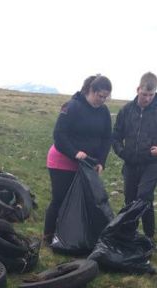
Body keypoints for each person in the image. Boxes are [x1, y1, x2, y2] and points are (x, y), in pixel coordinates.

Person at [43, 74, 112, 246]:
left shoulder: (104, 112)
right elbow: (59, 135)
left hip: (86, 163)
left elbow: (106, 139)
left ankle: (71, 236)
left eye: (105, 97)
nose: (102, 100)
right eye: (100, 96)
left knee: (80, 200)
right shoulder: (72, 106)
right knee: (60, 198)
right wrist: (74, 153)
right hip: (62, 160)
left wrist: (101, 162)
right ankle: (48, 235)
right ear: (91, 90)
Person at [112, 72, 157, 240]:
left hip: (152, 163)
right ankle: (129, 234)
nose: (147, 98)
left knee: (144, 196)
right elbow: (115, 136)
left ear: (155, 93)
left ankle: (149, 236)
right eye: (144, 94)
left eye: (151, 95)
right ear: (138, 89)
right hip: (130, 163)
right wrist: (122, 152)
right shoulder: (126, 110)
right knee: (130, 199)